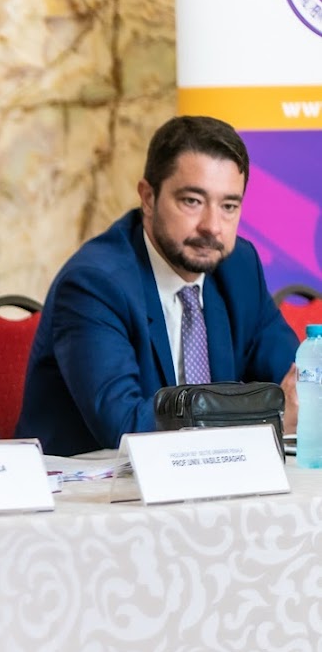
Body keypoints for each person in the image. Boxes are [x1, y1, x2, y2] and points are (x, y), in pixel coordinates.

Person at [17, 115, 299, 455]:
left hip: (209, 477)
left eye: (228, 206)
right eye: (192, 201)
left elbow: (297, 381)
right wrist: (269, 419)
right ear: (148, 198)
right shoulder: (94, 284)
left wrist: (296, 401)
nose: (212, 226)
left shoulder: (239, 267)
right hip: (96, 483)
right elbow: (126, 428)